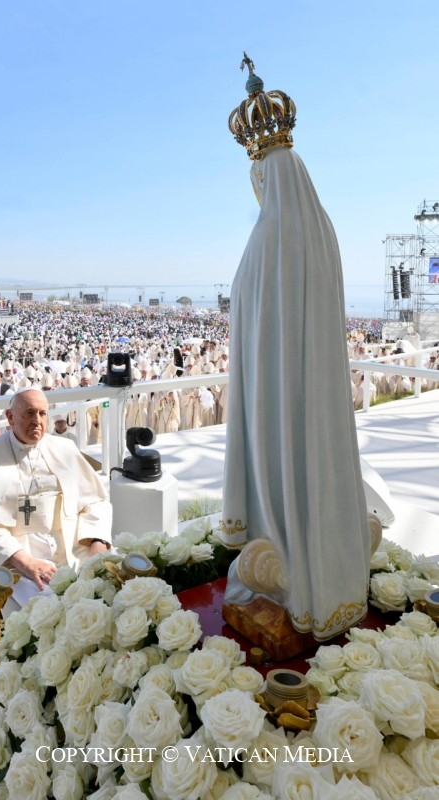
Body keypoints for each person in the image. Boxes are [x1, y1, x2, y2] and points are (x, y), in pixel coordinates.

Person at [221, 55, 370, 641]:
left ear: (266, 174)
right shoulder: (323, 228)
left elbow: (253, 326)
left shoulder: (266, 239)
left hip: (276, 394)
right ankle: (332, 584)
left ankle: (288, 581)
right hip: (320, 386)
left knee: (284, 472)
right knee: (319, 463)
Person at [0, 388, 112, 603]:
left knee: (113, 587)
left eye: (42, 413)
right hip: (19, 557)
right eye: (29, 413)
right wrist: (25, 562)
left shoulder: (65, 448)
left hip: (75, 546)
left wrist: (97, 545)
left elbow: (96, 501)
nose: (37, 421)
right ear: (10, 417)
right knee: (45, 610)